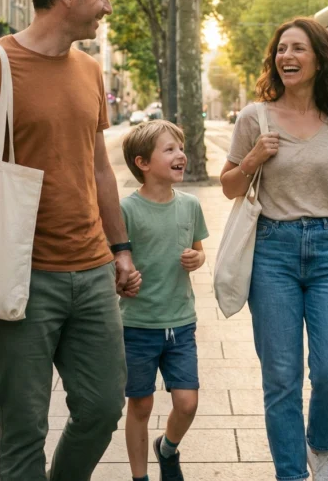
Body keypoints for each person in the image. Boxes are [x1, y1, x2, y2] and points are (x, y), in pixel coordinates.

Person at [0, 0, 139, 481]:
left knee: (103, 408)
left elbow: (99, 168)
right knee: (23, 424)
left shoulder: (88, 70)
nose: (106, 7)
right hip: (21, 277)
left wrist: (120, 250)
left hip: (93, 269)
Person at [221, 18, 328, 481]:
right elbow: (229, 185)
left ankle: (319, 446)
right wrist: (254, 157)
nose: (286, 57)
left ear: (320, 59)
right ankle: (291, 474)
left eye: (297, 49)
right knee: (281, 379)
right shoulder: (255, 116)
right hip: (272, 252)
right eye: (280, 49)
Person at [120, 120, 208, 481]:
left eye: (180, 148)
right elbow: (114, 263)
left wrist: (197, 259)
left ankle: (167, 448)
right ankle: (140, 477)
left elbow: (199, 251)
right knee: (140, 404)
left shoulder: (190, 206)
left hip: (181, 322)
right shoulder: (126, 209)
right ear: (143, 163)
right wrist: (121, 279)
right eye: (169, 149)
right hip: (137, 325)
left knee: (187, 402)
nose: (180, 155)